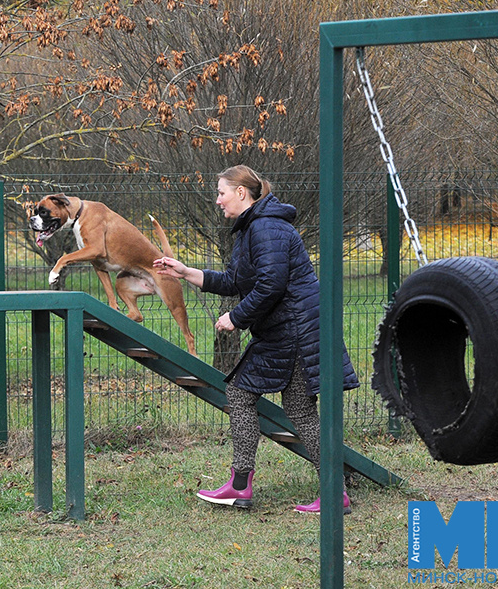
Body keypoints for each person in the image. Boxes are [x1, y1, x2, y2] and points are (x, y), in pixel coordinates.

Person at [153, 164, 359, 513]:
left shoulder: (265, 228)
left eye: (221, 192)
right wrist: (186, 272)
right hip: (288, 330)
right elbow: (235, 280)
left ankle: (254, 486)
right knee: (279, 404)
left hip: (296, 331)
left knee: (264, 400)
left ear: (241, 193)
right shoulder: (253, 228)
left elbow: (272, 284)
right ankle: (259, 486)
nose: (217, 200)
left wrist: (236, 317)